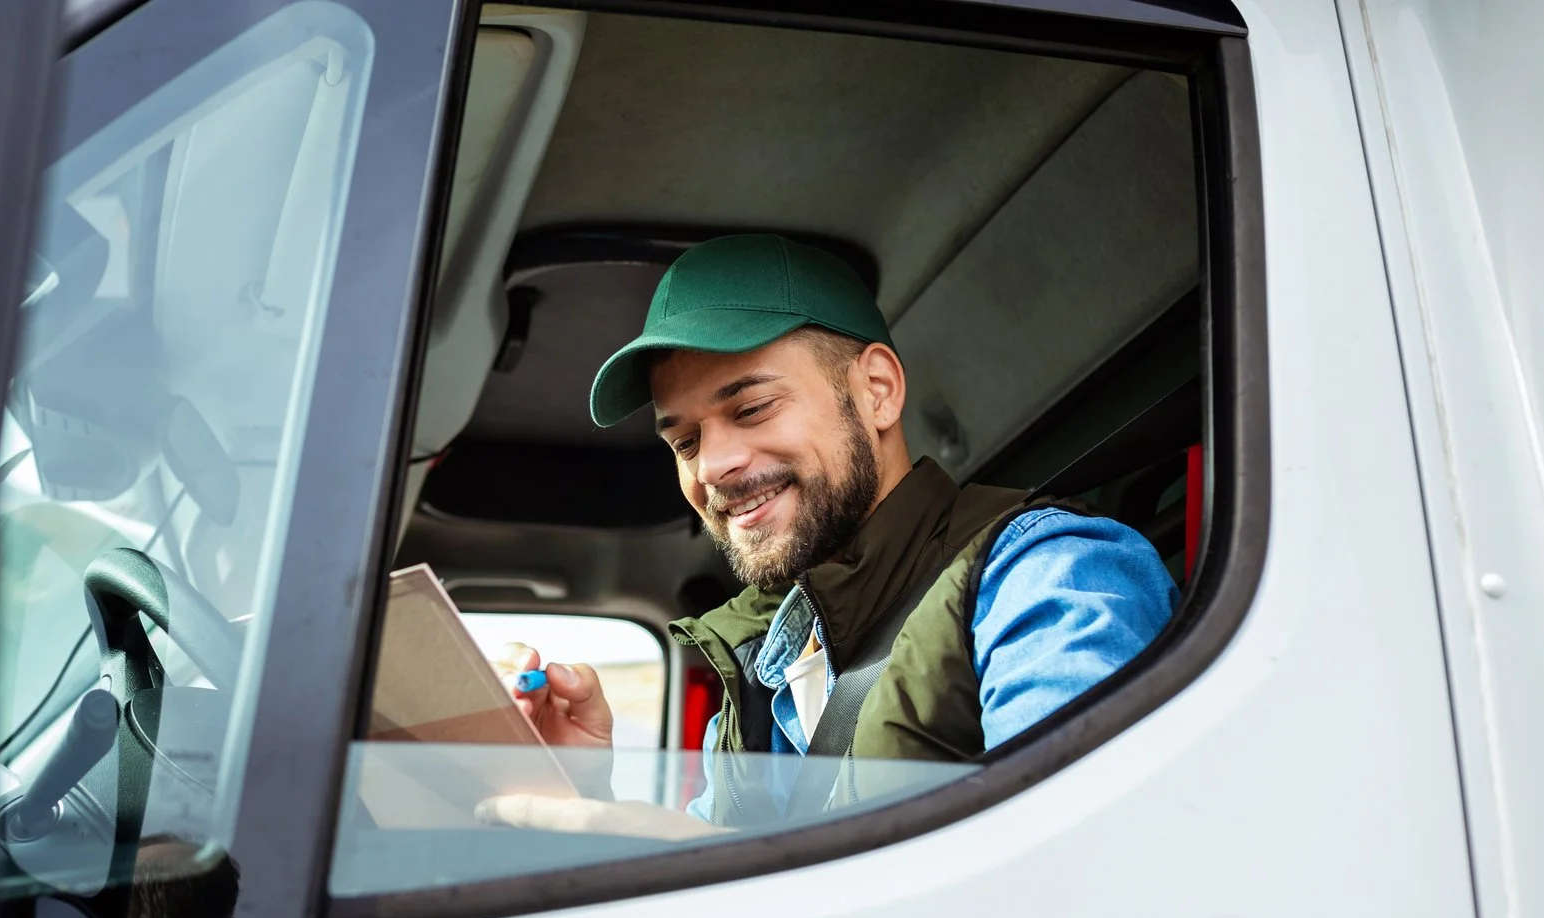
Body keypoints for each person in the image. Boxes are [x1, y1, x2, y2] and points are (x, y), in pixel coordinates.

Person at [480, 233, 1177, 833]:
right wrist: (578, 794)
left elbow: (1068, 861)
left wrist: (702, 859)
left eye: (750, 408)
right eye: (685, 441)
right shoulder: (765, 658)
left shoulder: (1047, 575)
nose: (713, 465)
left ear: (876, 390)